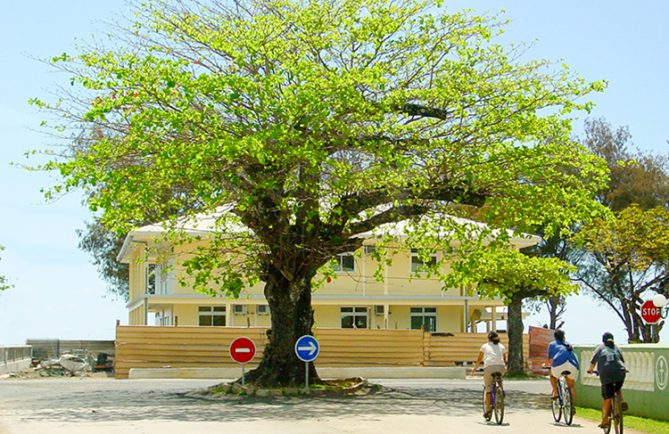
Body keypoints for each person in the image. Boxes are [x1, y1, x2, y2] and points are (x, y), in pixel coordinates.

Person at [587, 332, 628, 429]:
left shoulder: (600, 348)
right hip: (620, 371)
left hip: (606, 374)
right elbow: (622, 361)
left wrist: (590, 370)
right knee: (618, 388)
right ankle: (621, 401)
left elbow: (593, 362)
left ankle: (605, 420)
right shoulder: (617, 348)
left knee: (607, 398)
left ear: (603, 340)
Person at [471, 331, 507, 419]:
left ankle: (488, 409)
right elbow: (505, 360)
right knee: (499, 378)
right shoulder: (502, 346)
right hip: (501, 367)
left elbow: (479, 360)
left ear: (488, 338)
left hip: (489, 367)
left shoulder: (484, 346)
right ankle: (500, 391)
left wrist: (474, 369)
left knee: (488, 388)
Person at [544, 329, 579, 402]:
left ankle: (556, 392)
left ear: (555, 337)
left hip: (559, 365)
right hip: (573, 366)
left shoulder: (552, 344)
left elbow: (549, 359)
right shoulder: (568, 344)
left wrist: (545, 365)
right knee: (571, 386)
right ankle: (572, 406)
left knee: (552, 375)